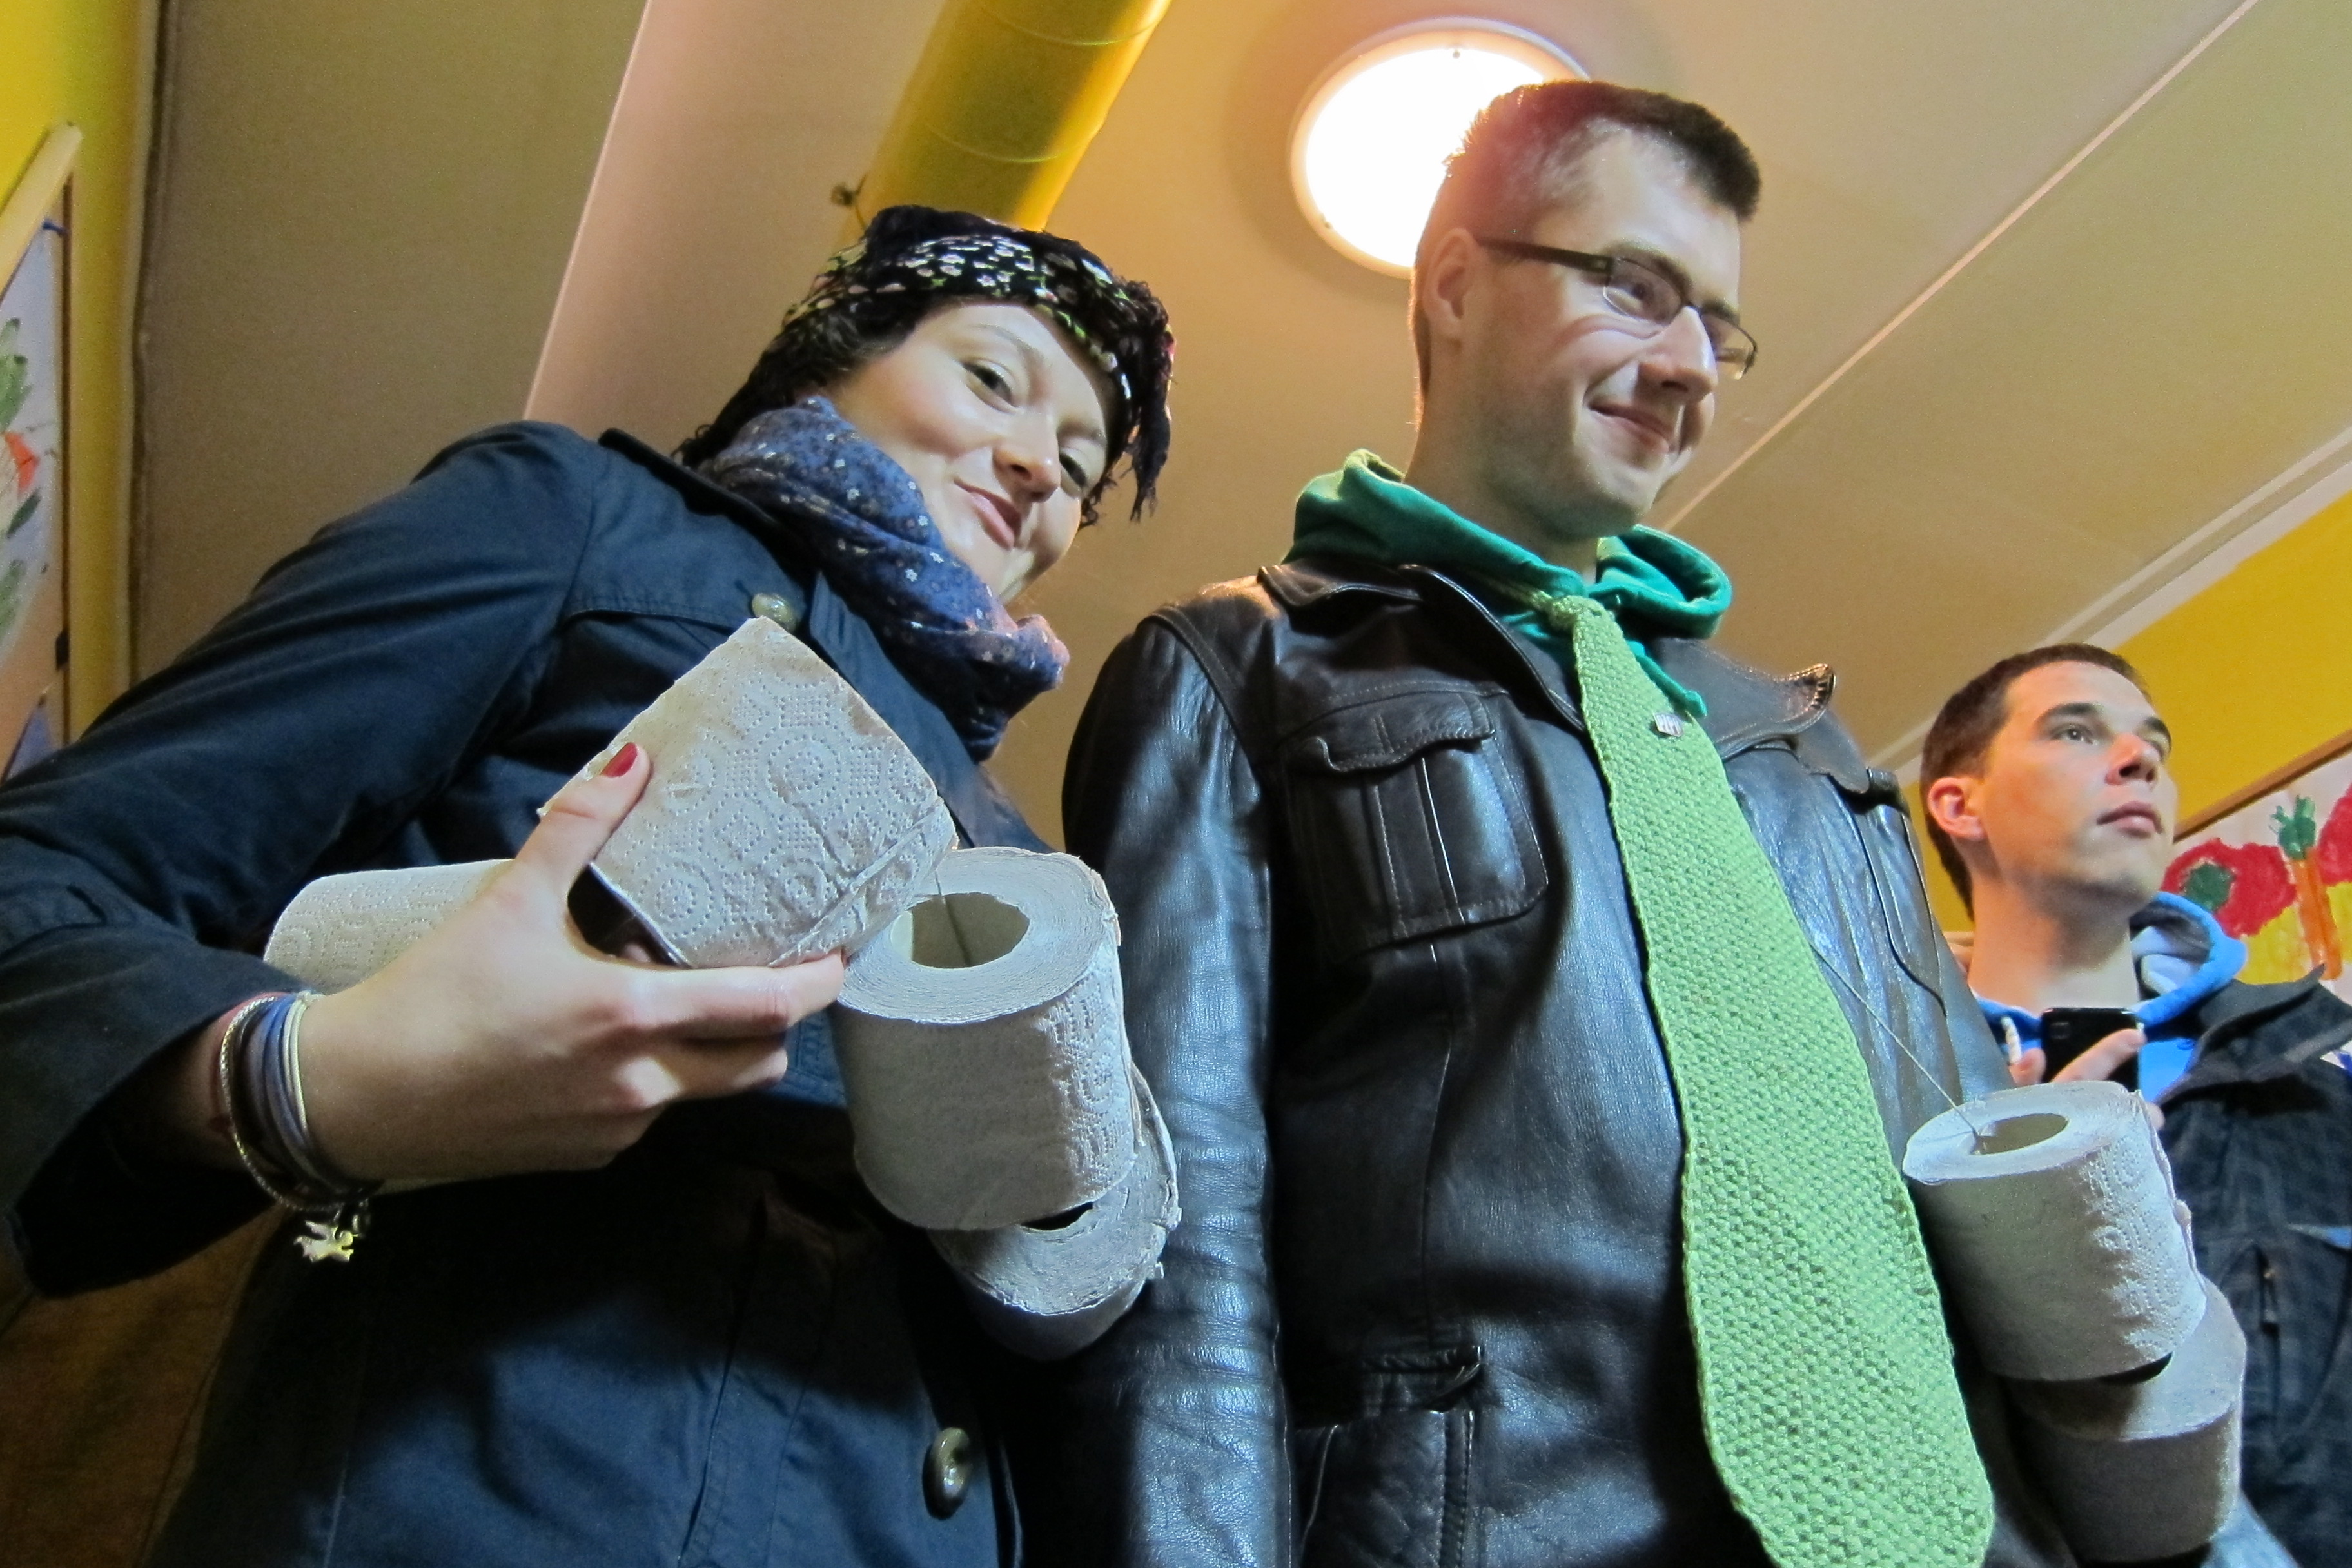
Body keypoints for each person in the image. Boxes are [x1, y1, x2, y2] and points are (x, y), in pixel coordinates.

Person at [1043, 79, 2142, 1568]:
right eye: (1634, 287)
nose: (1688, 366)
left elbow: (1973, 1216)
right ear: (1453, 284)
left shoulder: (1807, 751)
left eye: (1720, 329)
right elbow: (1183, 1249)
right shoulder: (1238, 671)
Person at [0, 204, 1173, 1567]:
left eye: (1078, 469)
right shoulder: (587, 521)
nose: (1036, 466)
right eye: (991, 378)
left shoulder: (1017, 859)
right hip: (496, 1500)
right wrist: (305, 1085)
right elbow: (41, 883)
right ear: (832, 356)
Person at [1923, 644, 2352, 1568]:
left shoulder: (2322, 1072)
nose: (2138, 760)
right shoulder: (1895, 1098)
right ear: (1960, 804)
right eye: (2076, 732)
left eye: (2153, 743)